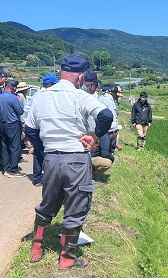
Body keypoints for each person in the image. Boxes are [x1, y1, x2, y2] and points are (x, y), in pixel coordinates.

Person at [25, 54, 113, 269]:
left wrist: (42, 147)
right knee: (75, 207)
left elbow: (29, 128)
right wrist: (94, 137)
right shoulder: (79, 96)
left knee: (48, 203)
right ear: (81, 76)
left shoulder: (41, 96)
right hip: (76, 158)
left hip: (51, 158)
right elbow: (106, 115)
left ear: (61, 72)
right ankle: (66, 258)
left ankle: (36, 248)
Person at [24, 73, 59, 186]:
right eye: (54, 84)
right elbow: (28, 110)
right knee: (41, 151)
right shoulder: (41, 94)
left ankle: (42, 176)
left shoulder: (44, 93)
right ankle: (39, 178)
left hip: (35, 126)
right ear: (49, 84)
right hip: (34, 127)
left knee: (42, 150)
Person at [0, 79, 25, 178]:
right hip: (13, 124)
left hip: (2, 125)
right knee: (15, 147)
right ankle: (13, 169)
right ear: (14, 88)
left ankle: (6, 168)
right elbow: (20, 111)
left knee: (5, 146)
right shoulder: (14, 98)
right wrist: (20, 102)